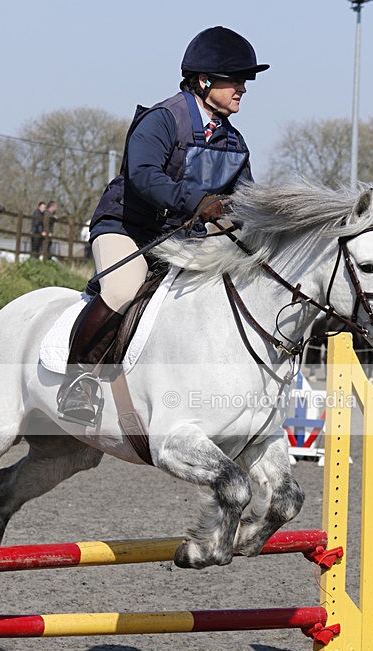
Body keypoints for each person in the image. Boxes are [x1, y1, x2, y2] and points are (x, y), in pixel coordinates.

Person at [57, 26, 269, 424]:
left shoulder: (234, 143)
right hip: (126, 227)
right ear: (204, 80)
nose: (243, 87)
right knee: (124, 288)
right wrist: (199, 202)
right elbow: (144, 176)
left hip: (179, 239)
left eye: (245, 80)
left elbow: (245, 201)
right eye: (235, 79)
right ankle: (79, 380)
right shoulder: (163, 119)